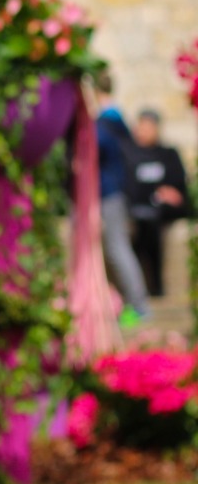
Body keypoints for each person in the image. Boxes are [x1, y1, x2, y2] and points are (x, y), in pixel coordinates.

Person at [95, 82, 152, 327]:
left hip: (111, 193)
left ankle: (139, 306)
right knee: (115, 248)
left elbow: (97, 146)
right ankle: (133, 304)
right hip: (114, 193)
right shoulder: (114, 120)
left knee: (117, 248)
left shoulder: (106, 121)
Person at [124, 107, 190, 299]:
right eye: (141, 127)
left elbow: (179, 184)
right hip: (140, 209)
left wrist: (170, 192)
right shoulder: (130, 154)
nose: (143, 131)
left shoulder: (168, 154)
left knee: (152, 223)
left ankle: (156, 285)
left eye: (148, 127)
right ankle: (142, 285)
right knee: (142, 225)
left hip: (164, 209)